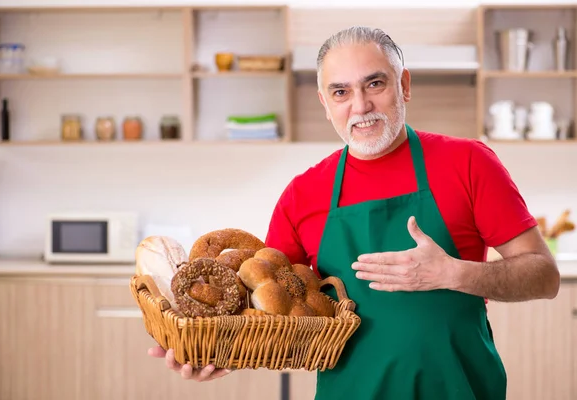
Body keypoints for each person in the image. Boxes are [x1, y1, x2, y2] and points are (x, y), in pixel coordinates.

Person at [148, 26, 561, 399]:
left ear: (404, 85)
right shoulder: (303, 195)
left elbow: (544, 275)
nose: (360, 106)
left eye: (375, 84)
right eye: (341, 92)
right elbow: (269, 314)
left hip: (461, 389)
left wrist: (454, 273)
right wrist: (219, 354)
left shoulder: (469, 162)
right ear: (326, 103)